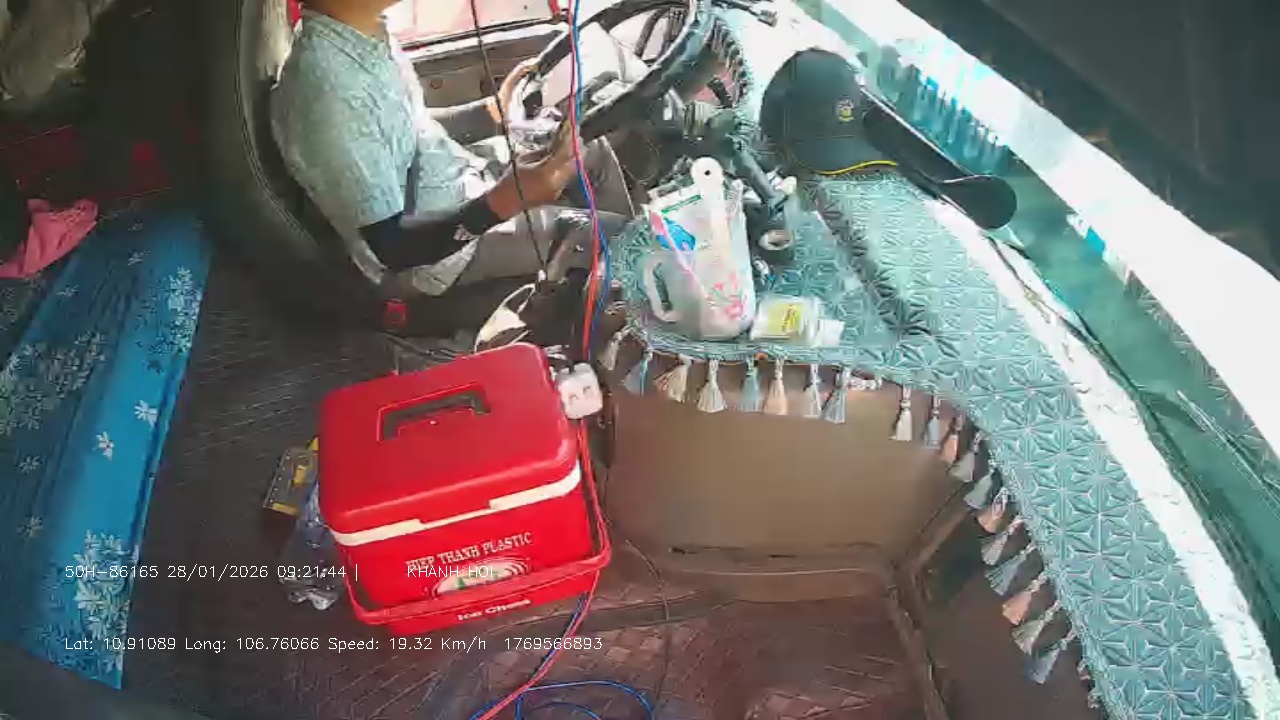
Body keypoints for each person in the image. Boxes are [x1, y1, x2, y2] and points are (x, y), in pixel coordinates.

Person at [271, 0, 635, 298]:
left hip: (457, 177)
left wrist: (489, 113)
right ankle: (625, 286)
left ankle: (615, 288)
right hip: (434, 260)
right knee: (618, 238)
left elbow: (406, 128)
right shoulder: (327, 95)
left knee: (591, 147)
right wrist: (503, 202)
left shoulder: (361, 34)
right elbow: (392, 248)